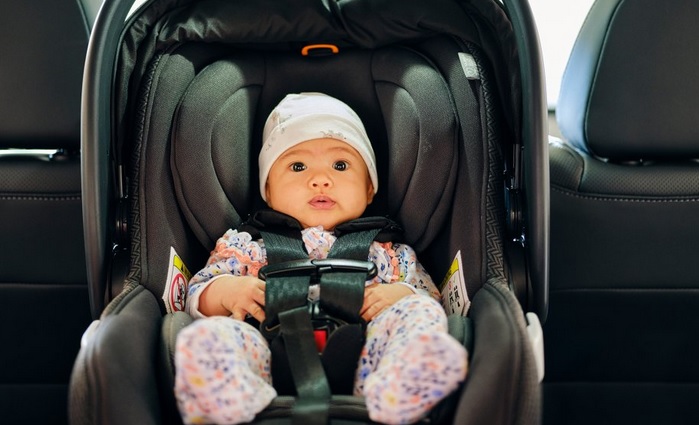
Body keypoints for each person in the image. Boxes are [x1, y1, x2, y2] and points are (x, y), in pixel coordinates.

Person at [174, 92, 468, 425]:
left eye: (340, 165)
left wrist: (400, 295)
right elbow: (195, 294)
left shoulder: (390, 254)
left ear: (370, 188)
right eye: (297, 166)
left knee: (419, 313)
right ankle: (226, 403)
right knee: (208, 337)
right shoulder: (246, 247)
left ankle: (401, 391)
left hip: (369, 357)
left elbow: (431, 298)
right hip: (265, 352)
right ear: (268, 190)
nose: (320, 179)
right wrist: (227, 291)